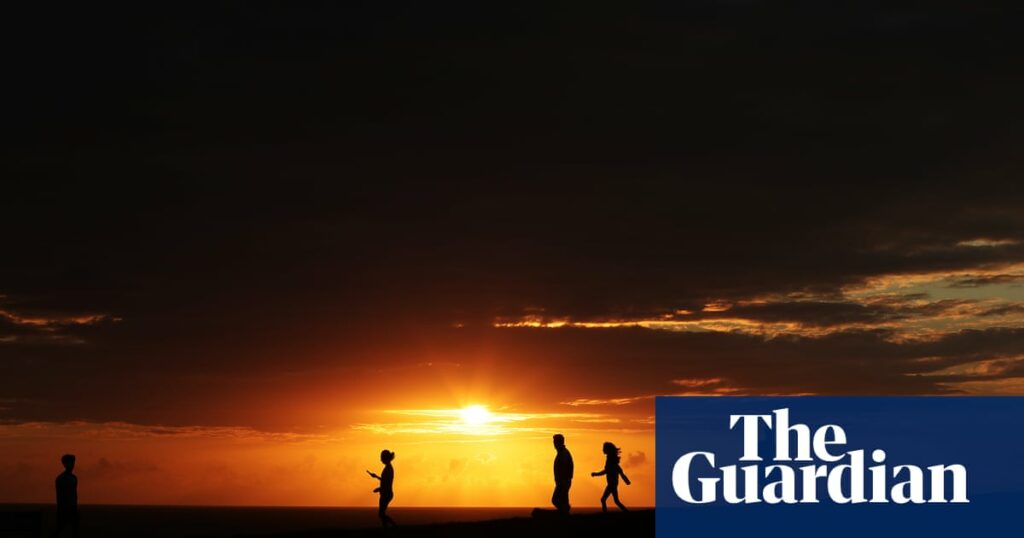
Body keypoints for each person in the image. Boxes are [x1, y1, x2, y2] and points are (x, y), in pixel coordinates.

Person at [591, 441, 630, 512]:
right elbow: (619, 470)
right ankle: (626, 512)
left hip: (612, 483)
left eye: (604, 448)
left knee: (603, 499)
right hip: (613, 483)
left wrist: (595, 474)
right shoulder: (611, 459)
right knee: (616, 501)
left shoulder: (610, 460)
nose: (602, 450)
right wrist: (626, 480)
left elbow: (606, 471)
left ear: (607, 450)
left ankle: (605, 515)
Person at [367, 449, 397, 527]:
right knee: (382, 514)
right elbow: (384, 480)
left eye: (382, 458)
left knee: (381, 514)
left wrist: (379, 488)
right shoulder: (388, 468)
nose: (381, 460)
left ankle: (395, 526)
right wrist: (376, 476)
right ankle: (386, 528)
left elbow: (387, 483)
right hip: (386, 493)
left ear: (385, 458)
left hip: (386, 494)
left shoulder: (388, 469)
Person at [54, 454, 79, 537]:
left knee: (74, 530)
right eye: (69, 463)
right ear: (64, 464)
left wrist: (75, 507)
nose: (72, 465)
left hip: (72, 507)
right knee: (60, 528)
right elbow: (60, 495)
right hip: (64, 508)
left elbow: (74, 494)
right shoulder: (61, 479)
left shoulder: (74, 478)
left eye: (72, 463)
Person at [551, 433, 574, 514]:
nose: (553, 443)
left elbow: (565, 468)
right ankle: (565, 516)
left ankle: (564, 513)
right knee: (563, 501)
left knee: (555, 500)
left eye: (555, 441)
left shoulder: (563, 453)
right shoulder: (563, 452)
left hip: (563, 482)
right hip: (563, 481)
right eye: (553, 441)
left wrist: (562, 481)